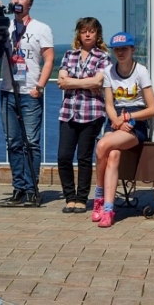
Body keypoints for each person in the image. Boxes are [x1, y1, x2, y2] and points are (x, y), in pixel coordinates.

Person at [0, 0, 54, 206]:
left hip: (29, 92)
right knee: (13, 142)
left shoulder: (41, 29)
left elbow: (49, 59)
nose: (16, 1)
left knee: (31, 143)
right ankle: (18, 188)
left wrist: (40, 86)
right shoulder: (3, 26)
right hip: (8, 91)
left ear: (30, 3)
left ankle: (31, 187)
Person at [93, 32, 154, 228]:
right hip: (115, 121)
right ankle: (108, 208)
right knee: (112, 155)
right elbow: (109, 105)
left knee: (102, 145)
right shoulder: (109, 72)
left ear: (132, 50)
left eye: (124, 49)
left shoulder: (141, 71)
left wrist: (128, 118)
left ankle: (98, 194)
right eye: (117, 49)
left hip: (135, 122)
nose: (120, 53)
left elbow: (152, 109)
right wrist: (117, 121)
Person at [57, 17, 111, 213]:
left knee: (84, 158)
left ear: (98, 34)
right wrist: (84, 82)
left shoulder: (103, 57)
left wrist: (72, 82)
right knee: (63, 157)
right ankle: (69, 197)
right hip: (68, 113)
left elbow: (98, 82)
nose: (87, 34)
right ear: (78, 34)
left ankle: (81, 199)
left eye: (91, 31)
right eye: (83, 31)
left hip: (92, 113)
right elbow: (61, 81)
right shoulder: (69, 54)